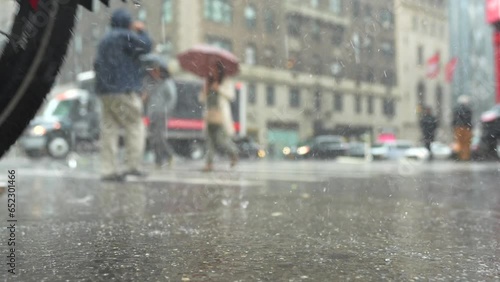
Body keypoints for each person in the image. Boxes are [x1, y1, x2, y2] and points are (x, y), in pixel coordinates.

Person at [94, 8, 153, 181]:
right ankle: (132, 166)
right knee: (134, 125)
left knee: (109, 129)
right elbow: (146, 46)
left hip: (105, 91)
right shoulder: (124, 36)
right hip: (123, 90)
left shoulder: (105, 40)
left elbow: (97, 63)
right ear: (127, 22)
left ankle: (108, 169)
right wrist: (141, 31)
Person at [199, 61, 239, 172]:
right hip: (209, 116)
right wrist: (204, 91)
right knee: (210, 141)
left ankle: (233, 153)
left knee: (222, 140)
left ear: (219, 70)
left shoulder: (225, 81)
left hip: (221, 116)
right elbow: (201, 99)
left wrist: (219, 89)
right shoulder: (207, 82)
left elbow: (231, 96)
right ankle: (209, 164)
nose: (212, 71)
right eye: (210, 69)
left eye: (214, 69)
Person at [142, 61, 178, 168]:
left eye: (156, 70)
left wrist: (166, 110)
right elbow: (147, 98)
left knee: (159, 137)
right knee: (153, 138)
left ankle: (169, 155)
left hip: (162, 113)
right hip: (151, 113)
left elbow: (172, 98)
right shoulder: (150, 83)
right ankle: (158, 160)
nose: (154, 72)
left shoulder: (167, 83)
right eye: (153, 70)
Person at [452, 95, 473, 161]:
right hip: (467, 128)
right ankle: (465, 156)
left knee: (459, 142)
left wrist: (454, 126)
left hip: (458, 127)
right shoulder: (468, 110)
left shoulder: (456, 109)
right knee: (466, 143)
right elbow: (470, 119)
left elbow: (454, 119)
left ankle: (459, 156)